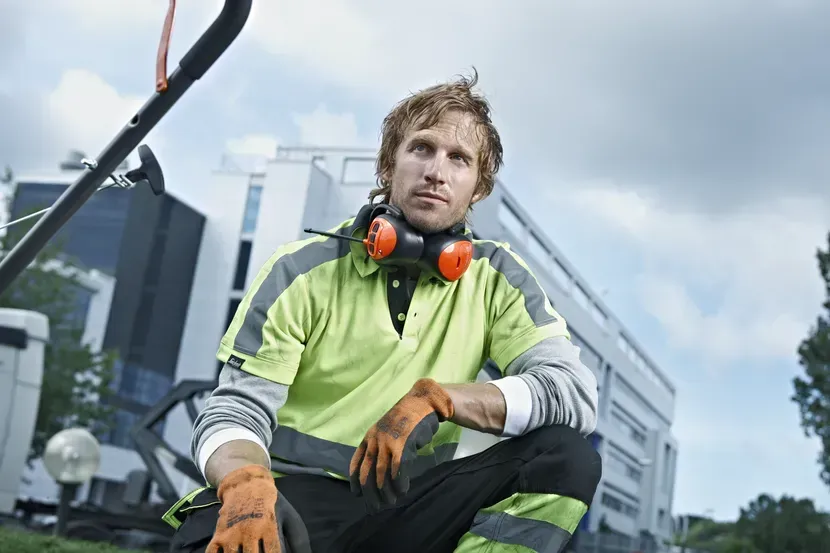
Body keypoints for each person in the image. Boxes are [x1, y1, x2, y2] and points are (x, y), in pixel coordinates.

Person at [162, 70, 603, 553]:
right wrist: (245, 483)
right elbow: (234, 408)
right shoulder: (301, 271)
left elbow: (574, 394)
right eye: (421, 148)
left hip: (407, 511)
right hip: (290, 501)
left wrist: (441, 399)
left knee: (564, 456)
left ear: (478, 187)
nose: (437, 171)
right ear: (388, 166)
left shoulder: (498, 277)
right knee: (213, 536)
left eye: (459, 158)